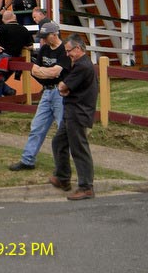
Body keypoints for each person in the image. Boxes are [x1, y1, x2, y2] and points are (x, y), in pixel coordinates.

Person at [8, 21, 68, 171]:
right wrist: (47, 72)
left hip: (60, 93)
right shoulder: (44, 49)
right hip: (46, 91)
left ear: (55, 34)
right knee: (37, 126)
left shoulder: (64, 50)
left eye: (46, 36)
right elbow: (34, 70)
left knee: (63, 129)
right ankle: (27, 160)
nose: (43, 39)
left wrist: (45, 72)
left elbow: (55, 72)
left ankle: (65, 164)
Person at [50, 34, 98, 200]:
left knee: (79, 149)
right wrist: (64, 88)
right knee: (58, 142)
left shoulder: (82, 66)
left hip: (78, 112)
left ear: (78, 48)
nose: (67, 54)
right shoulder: (79, 65)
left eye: (69, 50)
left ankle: (86, 187)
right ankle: (63, 177)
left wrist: (63, 87)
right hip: (72, 111)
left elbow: (63, 86)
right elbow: (65, 87)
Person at [0, 10, 33, 98]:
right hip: (17, 61)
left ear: (3, 19)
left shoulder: (3, 28)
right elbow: (30, 46)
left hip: (3, 59)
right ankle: (9, 91)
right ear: (15, 18)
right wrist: (22, 46)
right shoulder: (24, 29)